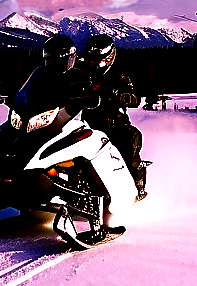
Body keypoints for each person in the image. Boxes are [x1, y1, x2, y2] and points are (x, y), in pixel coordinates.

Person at [79, 34, 147, 199]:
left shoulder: (119, 75)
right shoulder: (79, 71)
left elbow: (133, 92)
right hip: (83, 121)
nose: (94, 64)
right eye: (91, 60)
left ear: (109, 58)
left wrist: (125, 96)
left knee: (127, 142)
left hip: (113, 123)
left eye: (98, 61)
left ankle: (136, 186)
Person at [12, 34, 97, 117]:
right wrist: (14, 98)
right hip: (40, 115)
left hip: (68, 119)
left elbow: (91, 97)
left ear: (68, 58)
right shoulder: (40, 72)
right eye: (49, 59)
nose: (52, 63)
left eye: (56, 59)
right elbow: (28, 89)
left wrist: (86, 98)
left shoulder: (79, 76)